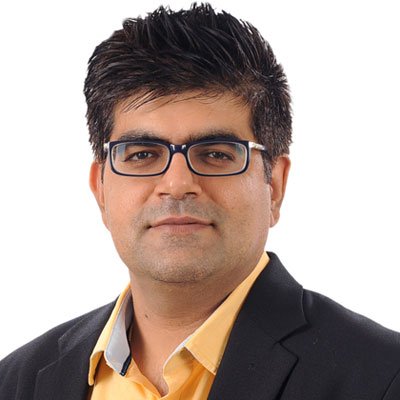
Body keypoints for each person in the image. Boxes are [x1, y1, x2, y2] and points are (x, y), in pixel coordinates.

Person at [1, 3, 399, 399]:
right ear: (101, 189)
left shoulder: (382, 379)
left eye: (216, 154)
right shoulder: (16, 382)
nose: (177, 184)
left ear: (274, 185)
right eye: (142, 154)